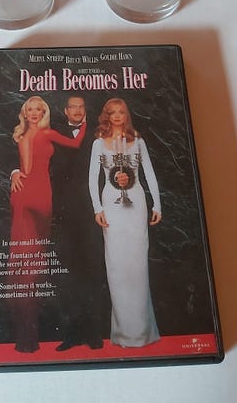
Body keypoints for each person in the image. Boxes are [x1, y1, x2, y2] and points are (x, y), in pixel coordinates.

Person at [10, 95, 86, 353]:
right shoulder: (27, 135)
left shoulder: (41, 133)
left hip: (39, 197)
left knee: (31, 260)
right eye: (29, 109)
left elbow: (74, 146)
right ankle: (27, 338)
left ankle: (28, 336)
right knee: (28, 262)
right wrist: (14, 172)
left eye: (38, 109)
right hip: (27, 196)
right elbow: (75, 143)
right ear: (24, 113)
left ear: (43, 112)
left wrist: (82, 123)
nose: (33, 113)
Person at [88, 98, 161, 347]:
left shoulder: (137, 141)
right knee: (117, 265)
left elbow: (148, 172)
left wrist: (157, 205)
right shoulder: (99, 143)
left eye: (121, 112)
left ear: (126, 115)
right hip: (111, 204)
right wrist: (97, 208)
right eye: (113, 112)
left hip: (136, 203)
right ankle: (124, 332)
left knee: (137, 265)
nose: (118, 116)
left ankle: (142, 332)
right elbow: (92, 178)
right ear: (107, 116)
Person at [49, 95, 107, 351]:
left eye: (81, 106)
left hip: (92, 210)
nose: (76, 110)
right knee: (68, 274)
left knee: (93, 270)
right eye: (72, 106)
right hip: (64, 212)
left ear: (85, 109)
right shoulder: (54, 133)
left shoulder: (97, 133)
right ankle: (71, 334)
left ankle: (94, 334)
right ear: (65, 110)